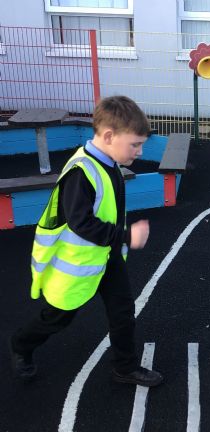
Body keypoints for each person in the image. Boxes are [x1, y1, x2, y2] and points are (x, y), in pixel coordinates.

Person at [8, 95, 163, 386]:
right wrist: (127, 236)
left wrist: (117, 242)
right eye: (135, 144)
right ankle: (21, 344)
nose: (140, 151)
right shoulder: (81, 173)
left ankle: (125, 367)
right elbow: (82, 224)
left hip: (107, 256)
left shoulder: (110, 163)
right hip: (77, 264)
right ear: (109, 136)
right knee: (58, 317)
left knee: (123, 312)